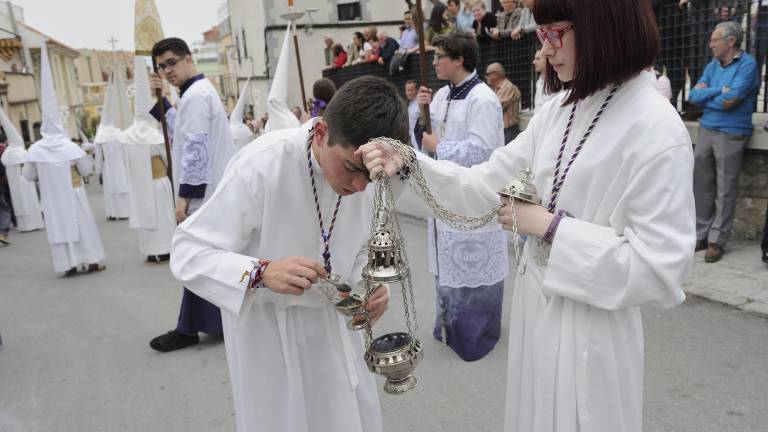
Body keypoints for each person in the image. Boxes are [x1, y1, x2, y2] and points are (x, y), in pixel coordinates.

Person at [360, 0, 695, 429]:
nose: (547, 50)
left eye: (556, 34)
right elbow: (485, 183)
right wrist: (408, 163)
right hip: (537, 314)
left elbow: (661, 267)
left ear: (602, 28)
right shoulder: (559, 111)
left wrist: (551, 227)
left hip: (592, 330)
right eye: (542, 36)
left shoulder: (656, 128)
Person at [169, 75, 403, 432]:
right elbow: (188, 251)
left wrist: (371, 288)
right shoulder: (262, 164)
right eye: (352, 169)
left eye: (369, 178)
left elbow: (362, 251)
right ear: (322, 133)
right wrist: (261, 273)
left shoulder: (369, 176)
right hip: (270, 336)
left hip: (336, 334)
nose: (359, 187)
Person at [414, 32, 508, 361]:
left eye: (440, 55)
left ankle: (474, 330)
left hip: (471, 195)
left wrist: (439, 147)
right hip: (445, 195)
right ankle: (448, 325)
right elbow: (422, 138)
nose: (435, 61)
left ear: (459, 60)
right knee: (448, 263)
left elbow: (484, 150)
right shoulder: (440, 95)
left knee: (471, 262)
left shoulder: (482, 98)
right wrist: (421, 111)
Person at [148, 37, 236, 352]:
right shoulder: (195, 93)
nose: (167, 70)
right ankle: (204, 324)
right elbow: (182, 133)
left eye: (171, 62)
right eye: (161, 66)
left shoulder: (196, 95)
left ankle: (191, 328)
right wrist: (160, 102)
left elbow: (195, 148)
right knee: (203, 257)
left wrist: (185, 197)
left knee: (197, 257)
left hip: (205, 193)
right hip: (212, 190)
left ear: (189, 59)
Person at [24, 45, 106, 276]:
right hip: (74, 192)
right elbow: (87, 169)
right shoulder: (70, 147)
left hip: (52, 197)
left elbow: (28, 176)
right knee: (82, 226)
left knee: (60, 227)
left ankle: (67, 264)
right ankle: (90, 259)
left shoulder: (36, 150)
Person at [688, 21, 759, 263]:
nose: (711, 44)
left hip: (732, 131)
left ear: (730, 41)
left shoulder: (747, 64)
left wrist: (711, 94)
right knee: (702, 185)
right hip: (707, 128)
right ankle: (701, 234)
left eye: (715, 40)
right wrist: (719, 91)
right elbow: (693, 96)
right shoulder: (712, 66)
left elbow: (734, 100)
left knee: (725, 187)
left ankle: (717, 240)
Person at [120, 57, 176, 263]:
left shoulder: (126, 137)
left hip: (139, 184)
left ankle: (151, 251)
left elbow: (125, 161)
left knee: (147, 219)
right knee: (163, 217)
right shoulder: (155, 136)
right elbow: (167, 159)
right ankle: (166, 247)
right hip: (159, 181)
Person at [0, 106, 44, 233]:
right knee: (27, 202)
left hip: (18, 184)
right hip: (23, 182)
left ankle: (26, 224)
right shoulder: (18, 151)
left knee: (22, 202)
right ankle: (33, 223)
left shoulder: (8, 153)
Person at [93, 76, 130, 222]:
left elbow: (98, 158)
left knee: (111, 191)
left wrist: (97, 171)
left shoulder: (101, 135)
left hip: (108, 167)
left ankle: (114, 212)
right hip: (120, 165)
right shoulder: (119, 133)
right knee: (122, 187)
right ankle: (125, 211)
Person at [485, 62, 521, 143]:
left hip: (509, 132)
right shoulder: (495, 89)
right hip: (501, 131)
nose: (485, 77)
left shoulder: (508, 87)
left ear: (495, 74)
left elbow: (494, 109)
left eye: (487, 74)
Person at [405, 80, 420, 148]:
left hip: (418, 138)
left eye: (412, 90)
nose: (410, 92)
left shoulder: (420, 104)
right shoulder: (407, 103)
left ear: (416, 90)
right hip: (408, 137)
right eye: (408, 90)